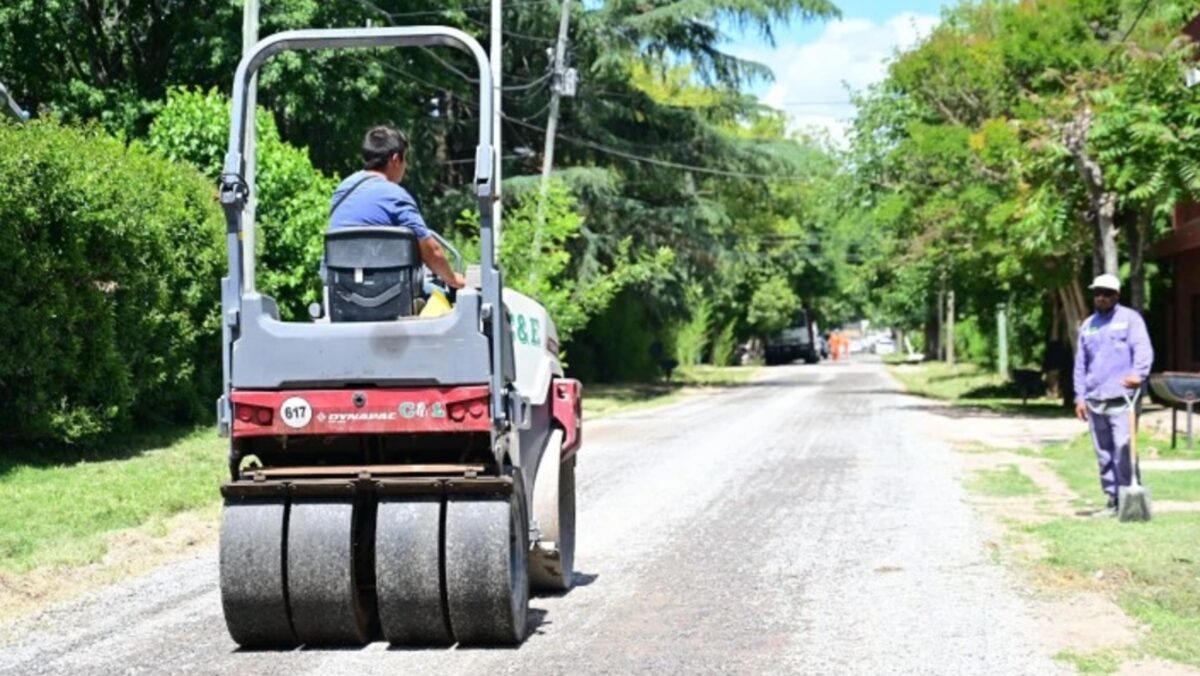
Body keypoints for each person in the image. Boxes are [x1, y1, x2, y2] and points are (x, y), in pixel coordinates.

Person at [328, 125, 465, 289]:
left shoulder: (342, 190)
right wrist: (454, 280)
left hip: (341, 291)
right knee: (440, 294)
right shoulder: (395, 195)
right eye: (405, 159)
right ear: (395, 159)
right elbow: (431, 251)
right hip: (385, 293)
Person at [1072, 273, 1153, 518]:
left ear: (1117, 295)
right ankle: (1112, 499)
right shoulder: (1088, 325)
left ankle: (1130, 498)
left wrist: (1138, 374)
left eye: (1107, 293)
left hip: (1123, 398)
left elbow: (1143, 349)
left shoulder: (1130, 320)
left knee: (1122, 447)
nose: (1102, 297)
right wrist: (1080, 397)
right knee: (1103, 451)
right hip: (1096, 398)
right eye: (1097, 293)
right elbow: (1081, 364)